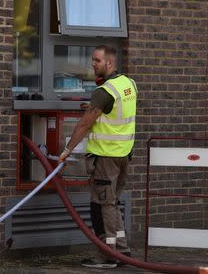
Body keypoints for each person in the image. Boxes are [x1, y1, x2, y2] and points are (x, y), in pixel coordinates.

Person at [59, 45, 137, 269]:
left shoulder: (104, 92)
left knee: (103, 206)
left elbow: (85, 123)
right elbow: (114, 111)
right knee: (112, 204)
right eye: (92, 60)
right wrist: (93, 106)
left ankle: (107, 255)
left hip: (105, 157)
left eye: (97, 61)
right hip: (123, 155)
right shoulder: (129, 85)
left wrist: (67, 150)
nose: (93, 64)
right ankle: (122, 250)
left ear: (109, 63)